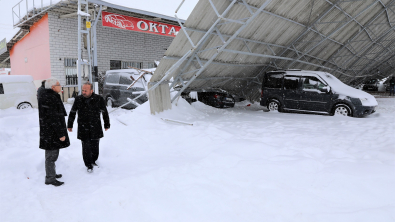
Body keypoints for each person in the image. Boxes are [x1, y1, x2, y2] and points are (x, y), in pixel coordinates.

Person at [67, 82, 110, 173]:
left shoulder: (98, 99)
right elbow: (73, 112)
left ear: (91, 90)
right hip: (83, 127)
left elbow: (104, 112)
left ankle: (93, 160)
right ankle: (88, 164)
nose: (83, 92)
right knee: (86, 147)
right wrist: (70, 124)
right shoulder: (78, 99)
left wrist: (107, 124)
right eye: (83, 90)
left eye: (86, 90)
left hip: (95, 126)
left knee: (95, 146)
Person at [38, 78, 70, 186]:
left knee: (51, 155)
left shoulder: (48, 96)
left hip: (49, 131)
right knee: (51, 156)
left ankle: (51, 174)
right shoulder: (50, 98)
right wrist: (60, 134)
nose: (60, 86)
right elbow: (53, 119)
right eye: (58, 84)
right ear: (53, 87)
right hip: (51, 132)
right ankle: (50, 178)